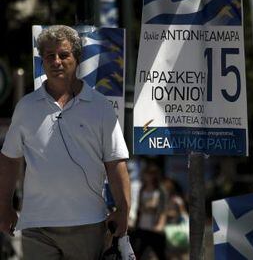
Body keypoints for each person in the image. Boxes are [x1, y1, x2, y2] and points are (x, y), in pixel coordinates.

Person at [0, 25, 131, 260]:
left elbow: (116, 162)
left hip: (88, 223)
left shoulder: (100, 107)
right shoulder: (26, 107)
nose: (56, 61)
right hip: (37, 225)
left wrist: (123, 209)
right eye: (49, 56)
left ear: (77, 59)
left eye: (63, 54)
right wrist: (4, 207)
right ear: (42, 61)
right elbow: (9, 160)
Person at [132, 163, 167, 260]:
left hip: (155, 227)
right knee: (137, 253)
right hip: (142, 226)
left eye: (152, 174)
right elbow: (140, 207)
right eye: (147, 173)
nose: (149, 176)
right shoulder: (142, 189)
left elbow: (162, 208)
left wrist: (160, 224)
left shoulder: (160, 190)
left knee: (160, 254)